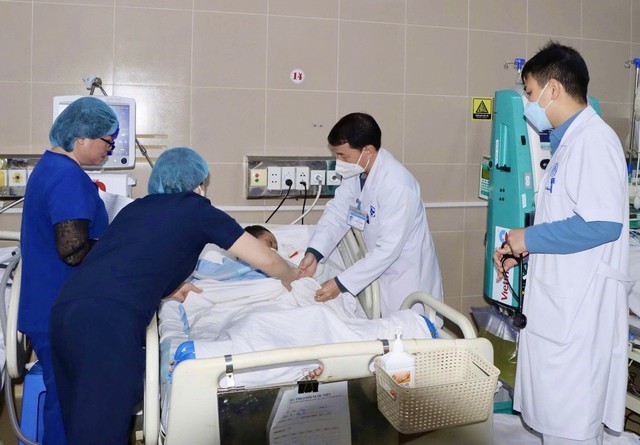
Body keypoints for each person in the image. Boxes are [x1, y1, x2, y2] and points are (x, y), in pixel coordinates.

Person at [50, 147, 299, 444]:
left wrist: (168, 289)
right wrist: (291, 275)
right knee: (101, 430)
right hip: (106, 323)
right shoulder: (197, 210)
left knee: (82, 424)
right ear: (198, 183)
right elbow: (265, 258)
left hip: (67, 312)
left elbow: (130, 261)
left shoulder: (135, 209)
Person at [493, 42, 631, 444]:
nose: (529, 104)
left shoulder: (593, 142)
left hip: (578, 318)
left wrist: (529, 237)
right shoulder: (569, 143)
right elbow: (567, 221)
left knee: (571, 429)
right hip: (563, 309)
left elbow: (602, 225)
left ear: (553, 89)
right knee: (558, 425)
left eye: (530, 93)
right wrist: (525, 250)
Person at [19, 96, 119, 445]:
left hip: (51, 306)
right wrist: (120, 249)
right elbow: (73, 250)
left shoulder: (50, 167)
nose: (110, 149)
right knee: (70, 403)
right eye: (107, 141)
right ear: (81, 139)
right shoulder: (66, 176)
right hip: (62, 310)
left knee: (65, 397)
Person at [298, 112, 443, 316]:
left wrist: (340, 284)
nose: (339, 162)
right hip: (378, 276)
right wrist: (314, 253)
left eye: (343, 156)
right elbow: (338, 212)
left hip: (406, 281)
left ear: (367, 151)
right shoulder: (357, 172)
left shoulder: (398, 186)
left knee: (410, 331)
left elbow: (388, 250)